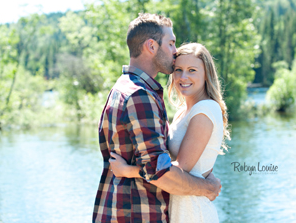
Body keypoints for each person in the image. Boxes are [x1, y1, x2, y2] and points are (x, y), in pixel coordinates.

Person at [92, 14, 221, 222]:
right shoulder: (140, 95)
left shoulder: (121, 88)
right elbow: (159, 172)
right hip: (137, 215)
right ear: (151, 46)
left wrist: (204, 171)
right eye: (170, 43)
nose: (175, 51)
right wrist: (208, 186)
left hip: (119, 210)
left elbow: (160, 161)